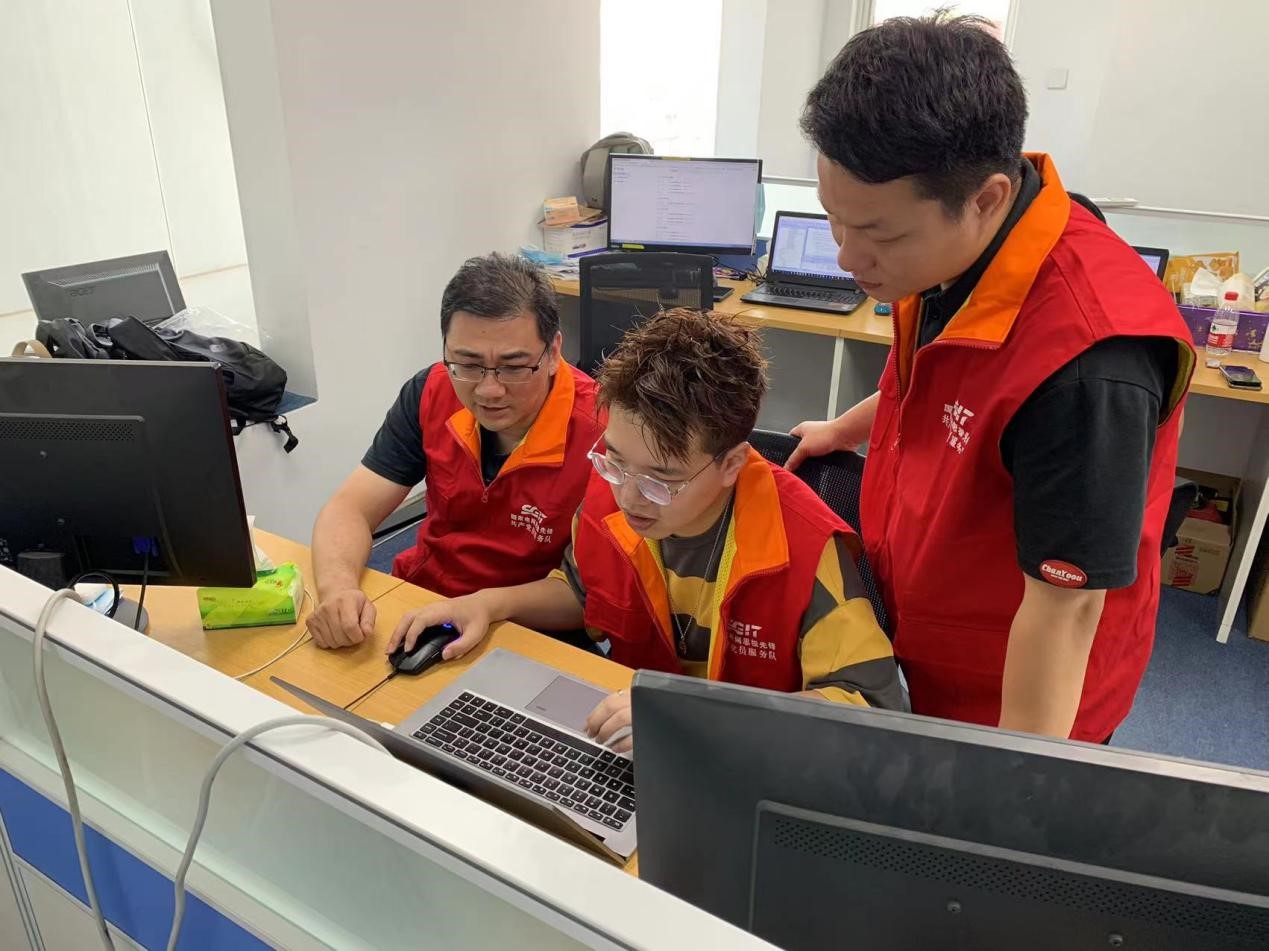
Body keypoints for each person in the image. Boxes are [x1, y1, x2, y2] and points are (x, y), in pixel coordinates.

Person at [787, 13, 1195, 743]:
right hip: (922, 633)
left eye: (876, 233)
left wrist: (1013, 779)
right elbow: (943, 381)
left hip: (1011, 692)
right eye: (833, 220)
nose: (846, 257)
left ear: (985, 199)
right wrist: (844, 429)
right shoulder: (952, 250)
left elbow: (1066, 609)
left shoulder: (1088, 366)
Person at [388, 308, 905, 752]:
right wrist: (487, 604)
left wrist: (698, 719)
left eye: (662, 480)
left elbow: (870, 708)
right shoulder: (608, 492)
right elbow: (582, 589)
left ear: (731, 464)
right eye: (614, 460)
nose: (629, 497)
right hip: (633, 741)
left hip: (743, 759)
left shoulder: (805, 546)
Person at [308, 253, 603, 648]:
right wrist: (338, 588)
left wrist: (487, 605)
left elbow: (590, 597)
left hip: (532, 626)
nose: (489, 390)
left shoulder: (605, 434)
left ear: (553, 354)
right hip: (424, 601)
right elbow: (351, 508)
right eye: (468, 364)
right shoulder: (432, 390)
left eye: (514, 367)